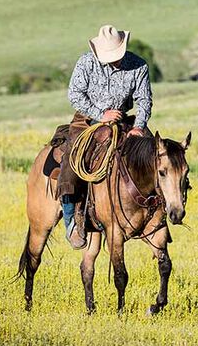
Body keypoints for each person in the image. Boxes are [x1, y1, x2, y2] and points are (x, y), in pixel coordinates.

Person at [57, 24, 153, 249]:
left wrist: (139, 126)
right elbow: (75, 95)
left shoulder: (139, 65)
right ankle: (71, 218)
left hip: (125, 120)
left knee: (155, 155)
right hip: (88, 120)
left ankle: (158, 212)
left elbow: (144, 100)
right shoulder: (86, 62)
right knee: (72, 160)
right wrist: (101, 114)